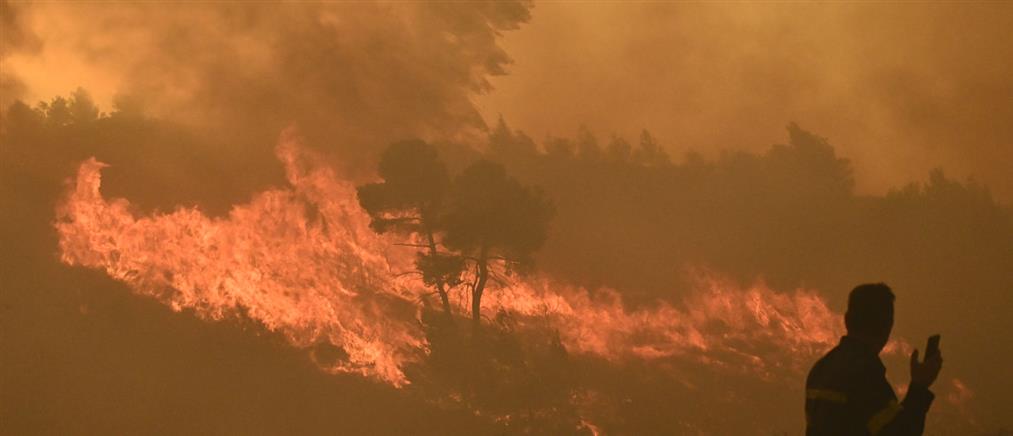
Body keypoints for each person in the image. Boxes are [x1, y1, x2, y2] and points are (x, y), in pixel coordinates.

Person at [805, 283, 943, 435]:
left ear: (846, 320)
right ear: (888, 325)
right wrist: (919, 387)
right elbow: (899, 432)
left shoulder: (820, 370)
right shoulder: (864, 375)